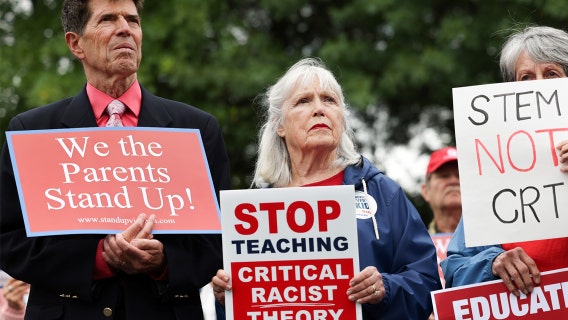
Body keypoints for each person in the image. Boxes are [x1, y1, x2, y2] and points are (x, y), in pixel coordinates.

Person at [0, 0, 231, 319]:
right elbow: (9, 240)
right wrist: (98, 258)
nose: (125, 29)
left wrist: (163, 262)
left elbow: (219, 240)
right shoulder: (33, 131)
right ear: (75, 43)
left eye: (133, 21)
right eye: (108, 19)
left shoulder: (196, 129)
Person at [209, 57, 442, 319]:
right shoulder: (253, 211)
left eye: (329, 100)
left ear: (341, 117)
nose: (319, 109)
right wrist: (226, 297)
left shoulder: (381, 192)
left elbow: (427, 284)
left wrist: (385, 288)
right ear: (279, 125)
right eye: (303, 101)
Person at [441, 25, 568, 320]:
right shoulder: (490, 161)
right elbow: (456, 268)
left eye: (551, 75)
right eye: (526, 77)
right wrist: (493, 262)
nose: (539, 86)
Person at [421, 146, 461, 234]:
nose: (453, 181)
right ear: (426, 191)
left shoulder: (495, 241)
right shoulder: (414, 246)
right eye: (444, 176)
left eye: (460, 176)